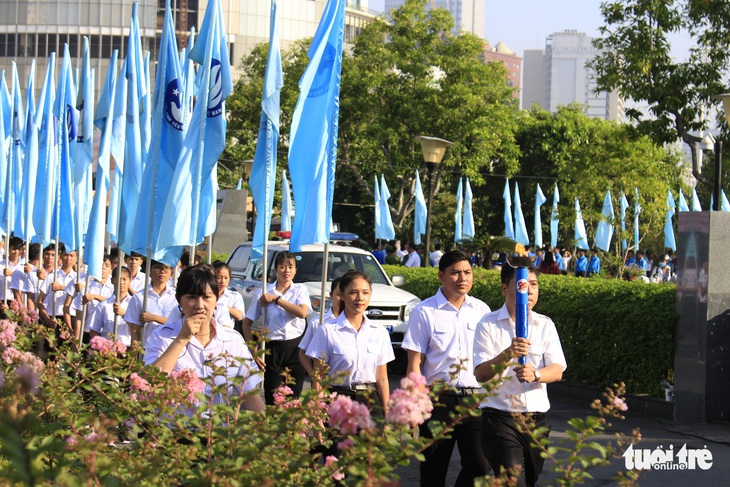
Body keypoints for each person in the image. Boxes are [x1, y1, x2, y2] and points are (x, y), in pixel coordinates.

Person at [402, 251, 491, 487]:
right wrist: (414, 405)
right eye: (455, 272)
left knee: (480, 465)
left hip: (475, 400)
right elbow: (414, 363)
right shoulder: (424, 311)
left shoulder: (482, 310)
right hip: (438, 400)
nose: (462, 278)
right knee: (433, 469)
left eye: (467, 272)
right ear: (441, 276)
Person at [473, 265, 567, 487]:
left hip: (537, 419)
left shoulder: (545, 324)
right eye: (524, 285)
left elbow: (557, 370)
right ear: (505, 289)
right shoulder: (488, 324)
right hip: (500, 417)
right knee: (512, 481)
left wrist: (535, 374)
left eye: (534, 285)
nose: (530, 291)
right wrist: (508, 354)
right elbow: (480, 373)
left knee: (529, 479)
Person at [144, 266, 265, 413]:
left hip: (217, 431)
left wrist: (266, 429)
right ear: (179, 301)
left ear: (216, 299)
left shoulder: (233, 340)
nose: (200, 306)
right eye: (191, 298)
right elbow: (150, 384)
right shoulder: (163, 336)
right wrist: (181, 339)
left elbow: (250, 396)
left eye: (206, 297)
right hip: (173, 431)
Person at [306, 270, 393, 413]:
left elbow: (382, 379)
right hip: (338, 402)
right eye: (353, 292)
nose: (360, 298)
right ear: (342, 296)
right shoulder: (327, 330)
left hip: (370, 402)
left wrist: (388, 414)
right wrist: (317, 415)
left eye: (365, 292)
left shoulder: (379, 332)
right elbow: (318, 377)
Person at [243, 252, 311, 405]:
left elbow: (302, 313)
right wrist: (254, 352)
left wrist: (277, 300)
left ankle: (292, 429)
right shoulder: (263, 292)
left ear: (295, 270)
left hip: (295, 348)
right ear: (275, 270)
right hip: (273, 349)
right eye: (282, 267)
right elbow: (246, 323)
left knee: (293, 400)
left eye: (290, 267)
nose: (286, 270)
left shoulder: (300, 290)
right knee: (273, 400)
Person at [298, 277, 342, 378]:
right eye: (339, 294)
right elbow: (303, 352)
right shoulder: (318, 323)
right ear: (331, 295)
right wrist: (313, 375)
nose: (342, 299)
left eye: (345, 295)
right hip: (324, 382)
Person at [125, 260, 177, 347]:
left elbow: (178, 323)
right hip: (148, 349)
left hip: (171, 349)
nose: (162, 271)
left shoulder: (176, 297)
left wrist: (153, 317)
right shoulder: (139, 297)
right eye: (158, 267)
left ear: (171, 271)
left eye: (167, 268)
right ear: (149, 270)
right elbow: (135, 331)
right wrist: (133, 357)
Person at [89, 266, 134, 346]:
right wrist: (102, 346)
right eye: (118, 279)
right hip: (108, 349)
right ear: (112, 280)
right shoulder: (103, 305)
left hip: (127, 349)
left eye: (124, 279)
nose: (121, 282)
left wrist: (124, 314)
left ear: (130, 281)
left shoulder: (134, 304)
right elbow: (93, 330)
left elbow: (138, 330)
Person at [37, 248, 78, 327]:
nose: (68, 258)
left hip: (72, 317)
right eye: (66, 255)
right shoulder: (51, 277)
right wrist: (46, 318)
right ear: (61, 256)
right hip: (53, 317)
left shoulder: (78, 278)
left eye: (71, 256)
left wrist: (62, 287)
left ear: (76, 258)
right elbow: (39, 301)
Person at [213, 262, 245, 330]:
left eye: (226, 278)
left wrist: (222, 306)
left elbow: (239, 316)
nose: (223, 281)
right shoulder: (205, 295)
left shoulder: (234, 296)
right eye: (219, 277)